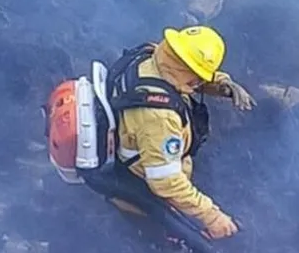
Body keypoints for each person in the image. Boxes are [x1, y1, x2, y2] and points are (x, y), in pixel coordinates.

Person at [105, 25, 255, 239]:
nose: (199, 83)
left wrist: (222, 84)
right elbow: (166, 181)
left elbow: (181, 73)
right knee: (162, 245)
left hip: (137, 149)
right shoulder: (159, 119)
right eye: (198, 77)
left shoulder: (150, 57)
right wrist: (211, 216)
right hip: (141, 192)